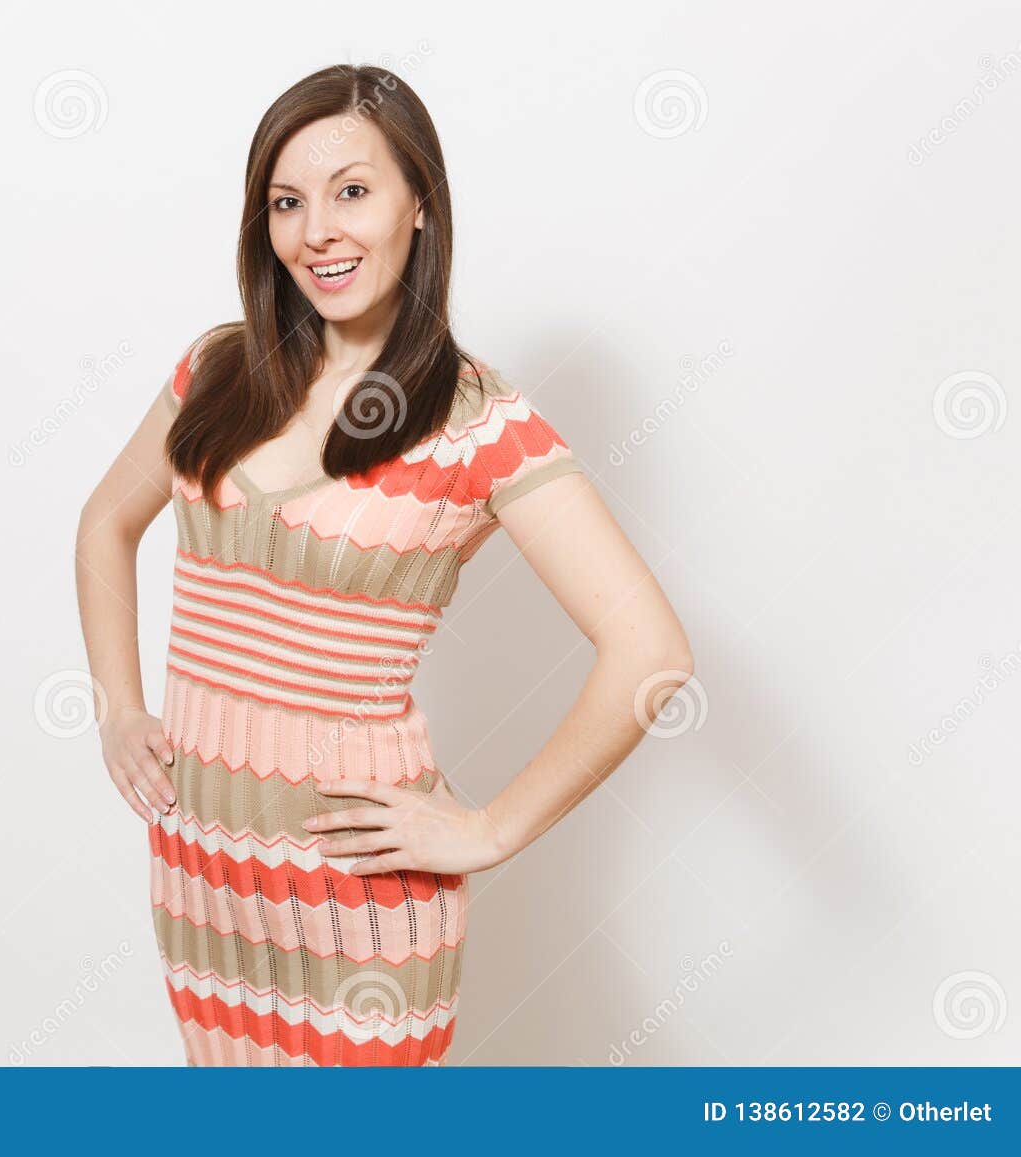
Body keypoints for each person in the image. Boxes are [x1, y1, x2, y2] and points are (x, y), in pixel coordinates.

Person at [74, 63, 693, 1066]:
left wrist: (489, 828)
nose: (316, 230)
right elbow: (105, 521)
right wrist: (118, 709)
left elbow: (650, 650)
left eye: (351, 191)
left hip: (358, 898)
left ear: (419, 206)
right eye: (287, 202)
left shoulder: (479, 423)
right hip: (203, 877)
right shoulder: (217, 368)